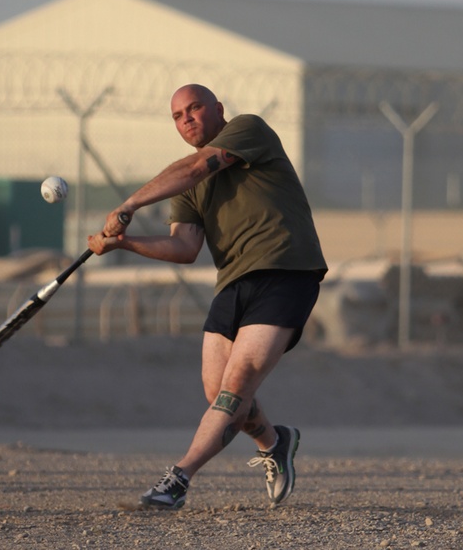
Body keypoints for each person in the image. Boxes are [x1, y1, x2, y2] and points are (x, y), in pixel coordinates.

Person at [88, 83, 327, 510]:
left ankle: (178, 479)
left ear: (217, 109)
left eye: (194, 108)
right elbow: (184, 248)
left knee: (237, 385)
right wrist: (124, 243)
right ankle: (275, 442)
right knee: (218, 392)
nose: (187, 119)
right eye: (178, 116)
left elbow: (199, 167)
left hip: (286, 270)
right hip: (233, 282)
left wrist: (130, 203)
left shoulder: (247, 130)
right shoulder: (185, 187)